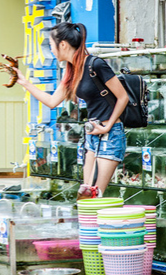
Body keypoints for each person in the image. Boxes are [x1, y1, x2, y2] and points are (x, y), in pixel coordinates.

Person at [13, 22, 129, 200]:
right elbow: (52, 101)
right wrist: (24, 82)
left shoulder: (95, 64)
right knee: (85, 195)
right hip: (92, 136)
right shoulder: (72, 71)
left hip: (110, 134)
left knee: (94, 196)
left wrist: (107, 127)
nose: (50, 50)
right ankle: (92, 227)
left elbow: (123, 97)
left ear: (63, 45)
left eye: (51, 45)